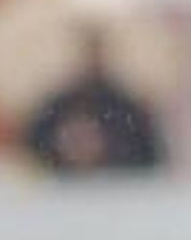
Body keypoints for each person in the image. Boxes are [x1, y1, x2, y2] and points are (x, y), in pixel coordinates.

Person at [23, 28, 161, 175]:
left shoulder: (126, 108)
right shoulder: (58, 106)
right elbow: (31, 151)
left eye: (96, 54)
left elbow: (146, 157)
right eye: (87, 54)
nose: (92, 61)